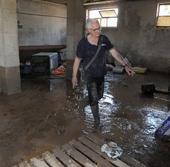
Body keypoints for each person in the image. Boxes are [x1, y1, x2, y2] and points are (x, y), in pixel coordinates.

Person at [72, 19, 135, 129]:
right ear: (88, 30)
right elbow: (77, 60)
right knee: (94, 97)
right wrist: (74, 76)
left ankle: (86, 102)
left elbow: (114, 52)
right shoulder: (83, 43)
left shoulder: (103, 39)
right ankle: (97, 123)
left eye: (99, 28)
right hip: (89, 74)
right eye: (95, 29)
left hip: (101, 72)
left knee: (99, 95)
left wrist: (125, 65)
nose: (98, 31)